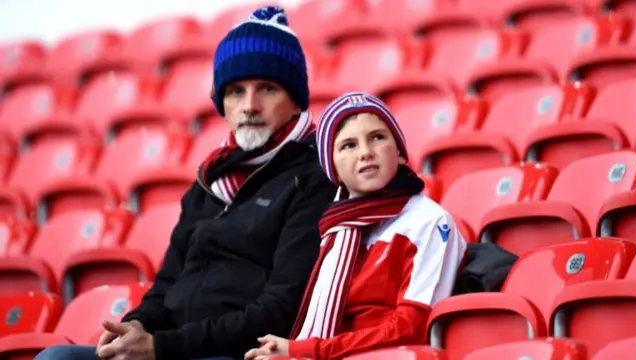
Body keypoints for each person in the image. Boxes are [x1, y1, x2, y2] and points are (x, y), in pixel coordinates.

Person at [35, 6, 337, 360]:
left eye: (267, 89)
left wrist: (160, 347)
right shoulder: (208, 182)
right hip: (174, 347)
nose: (250, 106)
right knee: (57, 357)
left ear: (296, 101)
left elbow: (280, 310)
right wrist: (137, 326)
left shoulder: (314, 177)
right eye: (236, 91)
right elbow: (166, 287)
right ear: (222, 104)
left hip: (235, 353)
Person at [245, 92, 468, 360]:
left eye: (378, 137)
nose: (365, 152)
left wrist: (304, 351)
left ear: (399, 153)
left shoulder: (429, 222)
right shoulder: (334, 230)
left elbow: (411, 328)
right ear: (334, 170)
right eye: (348, 145)